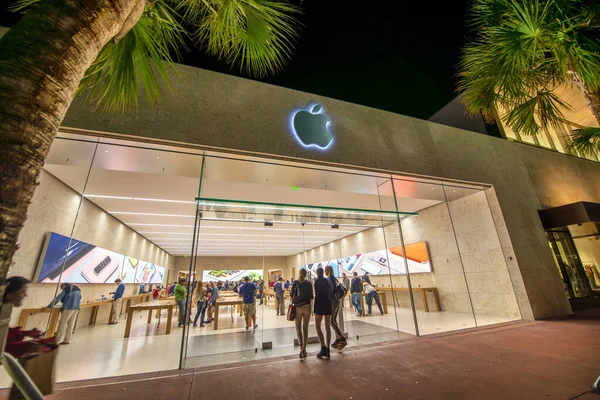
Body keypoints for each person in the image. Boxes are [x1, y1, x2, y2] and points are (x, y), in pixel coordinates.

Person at [291, 269, 313, 360]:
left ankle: (301, 347)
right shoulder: (308, 283)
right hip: (307, 307)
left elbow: (292, 294)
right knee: (305, 328)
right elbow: (311, 296)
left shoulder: (295, 283)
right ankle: (305, 348)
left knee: (298, 328)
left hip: (297, 307)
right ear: (306, 274)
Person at [325, 265, 347, 351]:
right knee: (333, 320)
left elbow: (331, 291)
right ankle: (338, 339)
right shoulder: (334, 278)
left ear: (327, 270)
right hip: (337, 301)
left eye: (325, 270)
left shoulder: (330, 279)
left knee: (331, 321)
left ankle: (341, 338)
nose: (325, 272)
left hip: (333, 301)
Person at [313, 267, 333, 359]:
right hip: (328, 304)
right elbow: (330, 291)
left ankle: (323, 347)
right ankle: (328, 348)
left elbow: (317, 295)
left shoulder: (316, 282)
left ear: (317, 273)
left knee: (318, 326)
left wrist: (314, 308)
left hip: (320, 305)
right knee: (327, 326)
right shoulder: (327, 281)